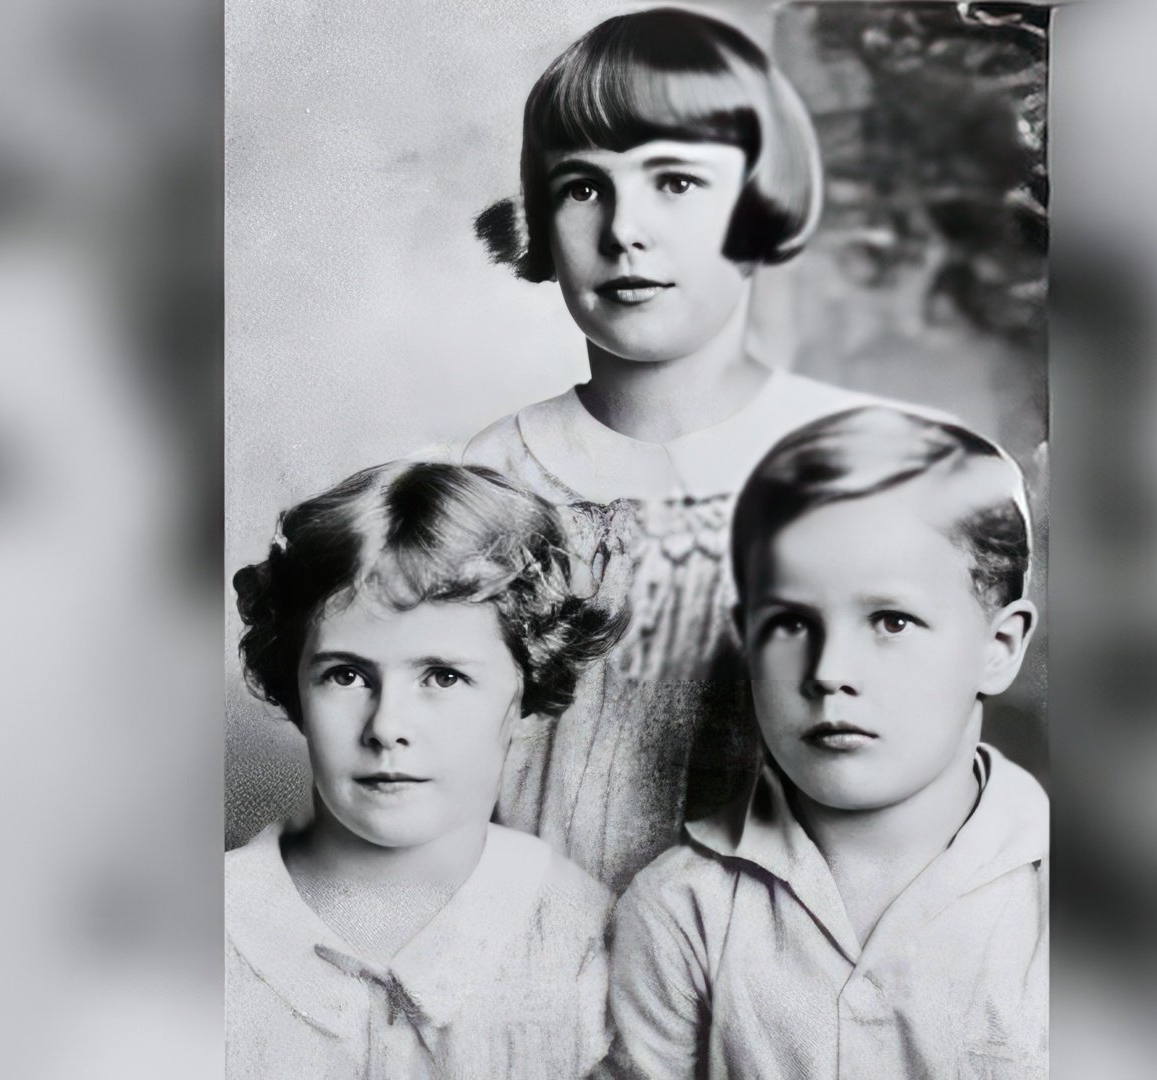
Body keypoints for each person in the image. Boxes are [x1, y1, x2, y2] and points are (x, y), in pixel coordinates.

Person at [465, 6, 925, 893]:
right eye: (582, 186)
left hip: (773, 962)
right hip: (535, 950)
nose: (623, 229)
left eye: (674, 182)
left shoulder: (859, 465)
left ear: (758, 207)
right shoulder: (497, 474)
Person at [604, 406, 1047, 1078]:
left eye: (891, 621)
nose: (828, 673)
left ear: (998, 646)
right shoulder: (681, 907)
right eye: (787, 624)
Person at [226, 461, 625, 1078]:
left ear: (528, 692)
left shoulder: (593, 948)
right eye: (347, 675)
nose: (387, 727)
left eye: (444, 676)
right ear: (295, 688)